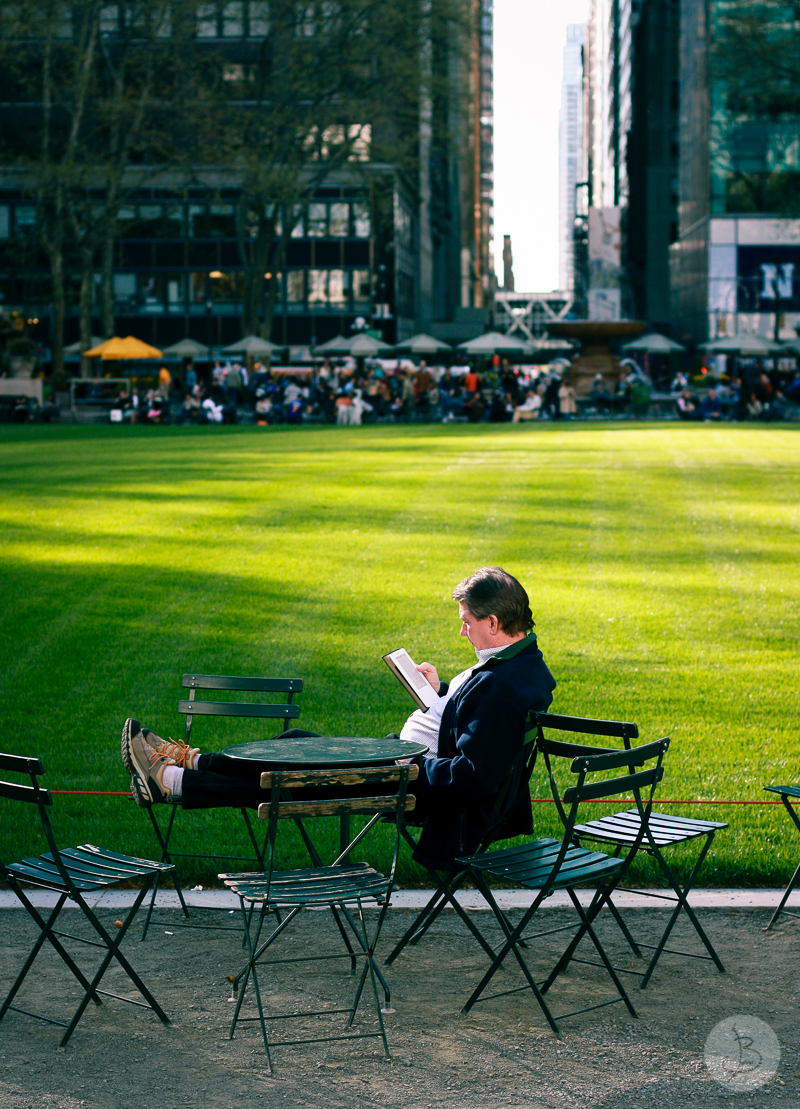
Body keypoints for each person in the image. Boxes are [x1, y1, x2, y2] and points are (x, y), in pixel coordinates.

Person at [120, 567, 556, 869]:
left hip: (414, 781)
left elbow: (474, 775)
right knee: (295, 742)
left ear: (494, 622)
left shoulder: (503, 686)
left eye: (467, 622)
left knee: (291, 776)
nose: (463, 631)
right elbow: (478, 721)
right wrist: (441, 693)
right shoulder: (515, 662)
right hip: (406, 760)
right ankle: (190, 761)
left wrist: (412, 767)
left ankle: (172, 782)